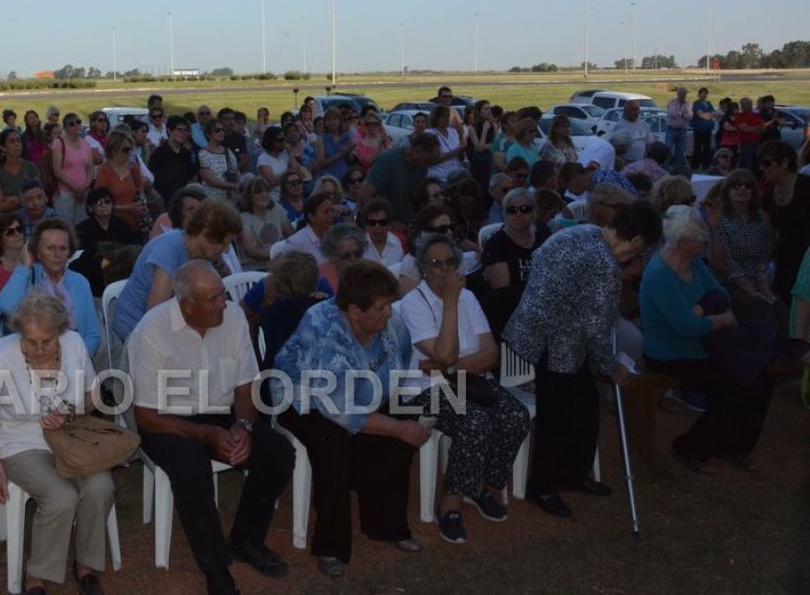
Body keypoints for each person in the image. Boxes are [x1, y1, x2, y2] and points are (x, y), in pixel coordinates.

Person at [130, 261, 294, 595]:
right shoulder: (151, 331)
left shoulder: (233, 317)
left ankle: (246, 539)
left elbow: (246, 387)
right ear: (187, 305)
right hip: (167, 421)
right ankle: (216, 567)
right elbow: (145, 416)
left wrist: (242, 426)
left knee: (277, 452)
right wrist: (205, 435)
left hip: (221, 413)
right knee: (191, 465)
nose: (224, 303)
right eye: (214, 298)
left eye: (223, 294)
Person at [504, 201, 661, 518]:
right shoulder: (605, 266)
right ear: (636, 241)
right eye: (641, 249)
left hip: (529, 334)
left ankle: (572, 473)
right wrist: (611, 367)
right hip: (551, 346)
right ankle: (542, 485)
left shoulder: (578, 231)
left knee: (585, 405)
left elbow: (538, 259)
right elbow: (596, 329)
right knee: (557, 415)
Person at [273, 262, 429, 577]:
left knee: (398, 441)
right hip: (305, 399)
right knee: (333, 449)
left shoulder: (391, 321)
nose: (389, 312)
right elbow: (336, 407)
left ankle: (386, 526)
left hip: (360, 391)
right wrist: (396, 427)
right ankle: (330, 546)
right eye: (381, 307)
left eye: (389, 304)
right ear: (354, 310)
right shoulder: (323, 326)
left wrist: (394, 416)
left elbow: (400, 360)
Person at [0, 291, 114, 595]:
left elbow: (93, 395)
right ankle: (36, 577)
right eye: (30, 341)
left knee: (101, 486)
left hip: (70, 436)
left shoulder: (74, 344)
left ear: (59, 332)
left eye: (46, 342)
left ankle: (85, 565)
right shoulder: (3, 356)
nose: (37, 349)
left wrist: (71, 412)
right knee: (61, 497)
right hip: (20, 442)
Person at [396, 235, 530, 544]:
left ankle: (478, 484)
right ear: (423, 268)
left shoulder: (468, 297)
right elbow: (444, 354)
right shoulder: (414, 304)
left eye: (450, 262)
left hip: (468, 380)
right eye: (435, 263)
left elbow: (491, 354)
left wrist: (448, 367)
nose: (444, 269)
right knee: (475, 422)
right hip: (425, 389)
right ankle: (451, 503)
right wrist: (450, 301)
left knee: (516, 417)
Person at [640, 206, 773, 473]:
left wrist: (702, 308)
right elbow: (687, 327)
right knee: (731, 388)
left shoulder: (695, 263)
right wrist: (723, 319)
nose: (705, 243)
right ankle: (689, 448)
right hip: (671, 355)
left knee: (760, 381)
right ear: (683, 242)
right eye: (701, 239)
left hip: (706, 347)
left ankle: (734, 447)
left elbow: (721, 294)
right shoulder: (660, 274)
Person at [110, 198, 241, 342]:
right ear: (205, 234)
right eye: (224, 243)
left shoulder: (204, 255)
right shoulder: (168, 251)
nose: (227, 250)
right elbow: (155, 316)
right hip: (136, 329)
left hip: (170, 326)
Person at [0, 218, 101, 357]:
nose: (57, 255)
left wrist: (78, 358)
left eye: (63, 248)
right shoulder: (27, 278)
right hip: (36, 356)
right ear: (38, 252)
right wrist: (24, 266)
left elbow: (92, 334)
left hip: (76, 356)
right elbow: (6, 306)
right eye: (50, 248)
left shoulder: (79, 281)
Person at [481, 188, 550, 340]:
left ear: (533, 212)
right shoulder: (496, 244)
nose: (518, 214)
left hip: (545, 305)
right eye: (512, 210)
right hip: (512, 315)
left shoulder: (543, 234)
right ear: (504, 213)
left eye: (524, 209)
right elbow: (503, 294)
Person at [704, 170, 775, 310]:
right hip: (727, 286)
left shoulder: (761, 218)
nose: (742, 188)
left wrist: (763, 284)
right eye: (736, 185)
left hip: (756, 283)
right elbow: (722, 263)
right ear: (727, 191)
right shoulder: (718, 218)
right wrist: (752, 291)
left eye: (748, 185)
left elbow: (762, 255)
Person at [759, 140, 810, 306]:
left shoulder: (806, 187)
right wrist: (763, 267)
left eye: (767, 163)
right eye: (761, 164)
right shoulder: (768, 196)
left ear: (785, 163)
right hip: (785, 261)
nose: (762, 168)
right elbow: (770, 235)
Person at [358, 132, 441, 229]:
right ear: (417, 151)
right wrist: (388, 222)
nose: (428, 165)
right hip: (379, 225)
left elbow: (415, 197)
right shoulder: (388, 160)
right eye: (428, 160)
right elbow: (363, 194)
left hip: (404, 220)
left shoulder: (421, 167)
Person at [95, 130, 149, 235]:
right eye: (125, 149)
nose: (129, 152)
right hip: (113, 227)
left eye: (131, 149)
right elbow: (100, 203)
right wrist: (127, 208)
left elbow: (140, 192)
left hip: (136, 225)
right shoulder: (104, 171)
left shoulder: (134, 168)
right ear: (113, 150)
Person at [237, 175, 294, 266]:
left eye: (267, 191)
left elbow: (292, 237)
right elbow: (251, 250)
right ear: (250, 196)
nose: (264, 195)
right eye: (258, 192)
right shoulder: (244, 218)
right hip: (257, 268)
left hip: (282, 263)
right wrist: (277, 255)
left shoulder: (276, 209)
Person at [148, 116, 201, 206]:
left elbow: (190, 176)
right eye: (179, 129)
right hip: (164, 200)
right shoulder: (158, 154)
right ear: (169, 130)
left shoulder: (186, 154)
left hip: (182, 200)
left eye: (185, 130)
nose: (183, 133)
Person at [284, 192, 335, 265]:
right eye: (326, 212)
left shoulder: (336, 237)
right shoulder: (295, 243)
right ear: (311, 216)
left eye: (332, 211)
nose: (331, 215)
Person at [317, 222, 367, 291]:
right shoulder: (320, 276)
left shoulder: (370, 272)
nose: (353, 259)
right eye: (346, 256)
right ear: (333, 257)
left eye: (357, 254)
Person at [199, 118, 241, 195]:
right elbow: (210, 180)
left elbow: (236, 171)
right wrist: (233, 186)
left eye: (223, 130)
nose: (221, 132)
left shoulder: (228, 151)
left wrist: (240, 185)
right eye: (217, 130)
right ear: (208, 134)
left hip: (230, 196)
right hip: (212, 197)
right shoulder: (202, 154)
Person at [359, 196, 403, 268]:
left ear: (389, 225)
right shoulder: (360, 246)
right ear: (366, 225)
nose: (377, 226)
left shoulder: (397, 242)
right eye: (372, 223)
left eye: (382, 222)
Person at [15, 178, 62, 244]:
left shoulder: (57, 218)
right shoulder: (15, 220)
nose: (36, 203)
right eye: (30, 199)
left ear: (46, 199)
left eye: (39, 198)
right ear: (22, 203)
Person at [426, 105, 465, 181]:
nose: (446, 118)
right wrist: (453, 153)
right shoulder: (429, 134)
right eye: (443, 116)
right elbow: (429, 161)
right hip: (440, 177)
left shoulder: (453, 131)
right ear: (436, 118)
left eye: (448, 116)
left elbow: (461, 158)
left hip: (457, 175)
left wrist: (461, 150)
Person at [665, 87, 692, 174]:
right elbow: (673, 114)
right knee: (668, 148)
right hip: (671, 129)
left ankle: (678, 169)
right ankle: (665, 168)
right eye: (682, 93)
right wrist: (683, 113)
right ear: (678, 94)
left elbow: (690, 116)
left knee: (680, 150)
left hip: (682, 130)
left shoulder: (688, 104)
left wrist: (682, 114)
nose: (684, 95)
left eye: (685, 94)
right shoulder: (672, 103)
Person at [691, 87, 716, 171]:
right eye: (702, 93)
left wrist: (706, 115)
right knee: (697, 147)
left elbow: (713, 113)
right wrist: (707, 115)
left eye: (706, 93)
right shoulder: (696, 103)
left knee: (707, 147)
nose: (704, 95)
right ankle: (695, 166)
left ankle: (706, 165)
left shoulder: (709, 103)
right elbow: (700, 115)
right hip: (699, 129)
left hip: (708, 129)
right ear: (699, 94)